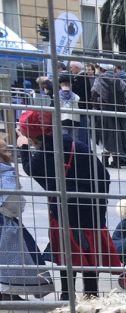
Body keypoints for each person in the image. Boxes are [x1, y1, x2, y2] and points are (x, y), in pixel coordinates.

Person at [16, 109, 120, 301]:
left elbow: (32, 170)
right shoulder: (74, 144)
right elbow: (104, 175)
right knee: (90, 254)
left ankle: (67, 296)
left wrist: (23, 149)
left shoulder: (46, 151)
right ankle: (91, 295)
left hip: (65, 214)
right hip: (92, 212)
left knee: (67, 256)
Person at [0, 132, 52, 301]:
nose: (9, 152)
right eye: (6, 149)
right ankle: (9, 291)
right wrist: (14, 209)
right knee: (18, 255)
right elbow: (11, 198)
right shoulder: (6, 171)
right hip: (5, 219)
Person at [90, 64, 126, 168]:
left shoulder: (99, 80)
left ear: (102, 69)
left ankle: (105, 160)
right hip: (119, 112)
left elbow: (94, 93)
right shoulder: (118, 80)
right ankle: (117, 161)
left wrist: (96, 105)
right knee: (118, 136)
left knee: (105, 136)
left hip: (104, 112)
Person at [55, 73, 85, 146]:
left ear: (60, 84)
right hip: (75, 120)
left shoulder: (56, 96)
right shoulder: (76, 97)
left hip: (61, 120)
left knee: (63, 141)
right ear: (71, 85)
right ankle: (74, 156)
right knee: (74, 141)